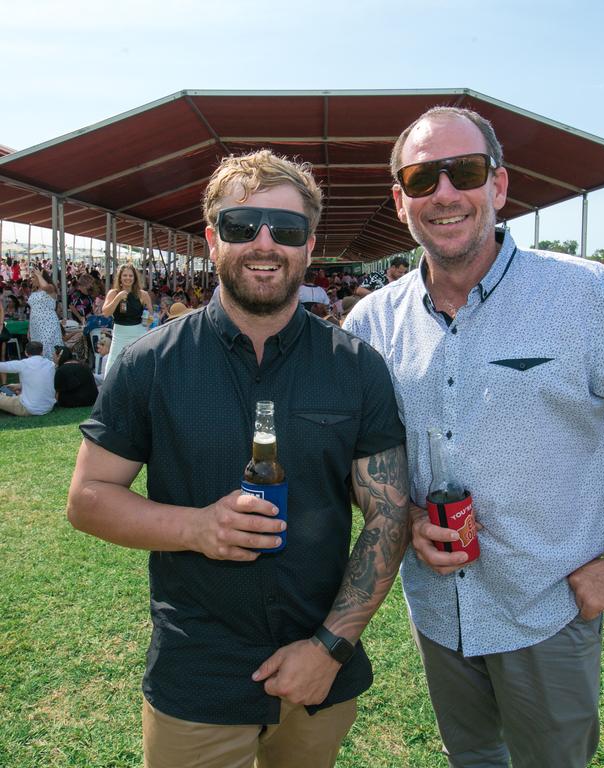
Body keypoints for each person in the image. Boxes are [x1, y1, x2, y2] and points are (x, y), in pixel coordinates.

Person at [345, 106, 604, 768]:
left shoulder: (587, 296)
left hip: (546, 615)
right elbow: (357, 460)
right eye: (421, 179)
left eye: (463, 172)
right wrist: (407, 516)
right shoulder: (370, 323)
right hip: (439, 616)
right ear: (400, 200)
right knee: (471, 759)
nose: (443, 193)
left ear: (498, 187)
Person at [67, 149, 410, 768]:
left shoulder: (355, 367)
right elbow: (88, 498)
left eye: (287, 229)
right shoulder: (150, 364)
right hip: (195, 670)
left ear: (308, 247)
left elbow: (388, 517)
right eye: (240, 225)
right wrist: (195, 528)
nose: (264, 242)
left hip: (317, 671)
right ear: (210, 238)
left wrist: (330, 647)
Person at [100, 264, 152, 374]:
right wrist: (118, 298)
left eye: (130, 275)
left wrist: (147, 322)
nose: (128, 278)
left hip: (138, 334)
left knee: (137, 368)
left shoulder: (143, 294)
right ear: (120, 277)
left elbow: (151, 316)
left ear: (135, 278)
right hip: (119, 335)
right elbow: (105, 313)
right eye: (125, 275)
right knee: (112, 368)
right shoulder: (113, 293)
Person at [0, 340, 56, 416]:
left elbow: (3, 366)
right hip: (49, 406)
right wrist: (19, 386)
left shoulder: (23, 364)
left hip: (29, 408)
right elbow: (39, 381)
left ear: (26, 352)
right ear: (41, 352)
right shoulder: (51, 364)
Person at [27, 268, 63, 360]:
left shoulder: (50, 288)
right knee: (36, 350)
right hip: (35, 325)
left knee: (47, 348)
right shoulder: (34, 292)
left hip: (48, 324)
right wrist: (29, 329)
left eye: (33, 277)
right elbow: (32, 309)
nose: (31, 279)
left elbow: (45, 287)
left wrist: (39, 275)